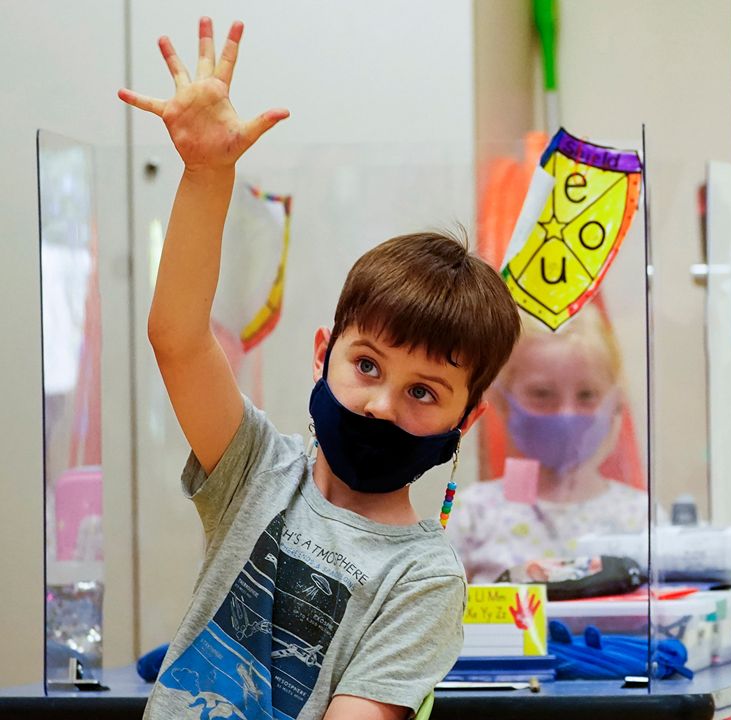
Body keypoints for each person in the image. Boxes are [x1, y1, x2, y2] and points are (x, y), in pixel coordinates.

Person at [119, 18, 520, 719]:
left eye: (423, 390)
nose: (381, 405)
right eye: (367, 365)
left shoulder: (423, 579)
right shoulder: (256, 471)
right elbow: (177, 338)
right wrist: (208, 175)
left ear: (468, 419)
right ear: (321, 353)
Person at [448, 303, 649, 583]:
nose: (566, 414)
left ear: (615, 403)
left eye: (587, 394)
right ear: (504, 402)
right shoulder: (473, 514)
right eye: (542, 394)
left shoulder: (641, 518)